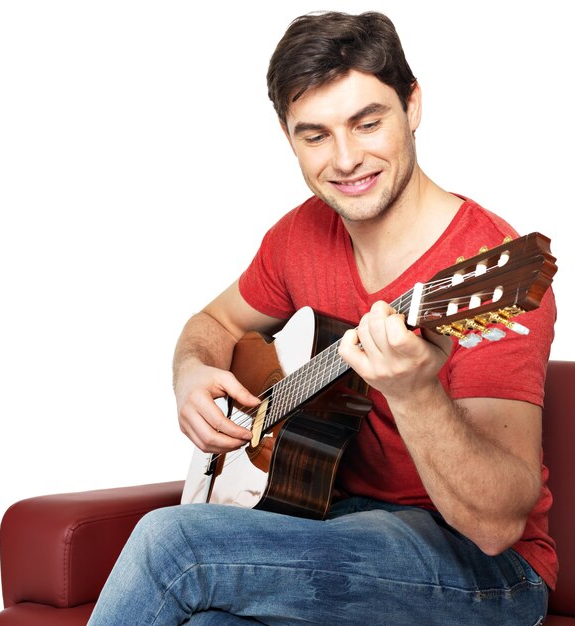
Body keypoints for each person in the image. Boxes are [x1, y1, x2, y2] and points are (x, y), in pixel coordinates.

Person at [88, 10, 556, 625]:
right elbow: (214, 322)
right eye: (315, 135)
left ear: (412, 106)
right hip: (334, 523)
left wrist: (412, 391)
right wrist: (191, 372)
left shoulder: (487, 273)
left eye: (367, 123)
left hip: (484, 571)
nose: (346, 159)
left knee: (174, 546)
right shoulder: (300, 236)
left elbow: (496, 525)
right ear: (288, 136)